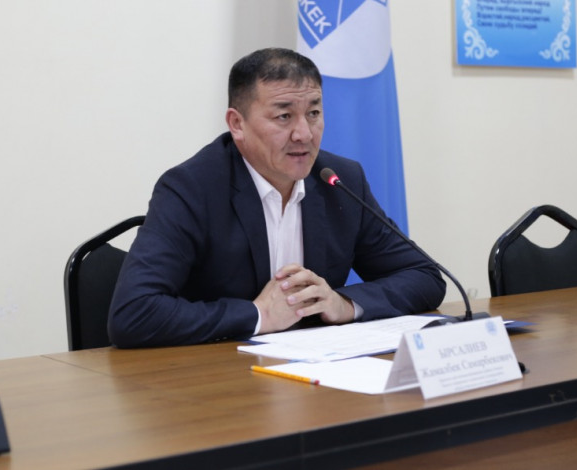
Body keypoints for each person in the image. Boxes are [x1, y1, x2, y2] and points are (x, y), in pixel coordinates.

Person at [108, 47, 445, 348]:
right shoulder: (192, 188)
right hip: (217, 377)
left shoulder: (339, 180)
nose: (304, 134)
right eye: (284, 116)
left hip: (319, 370)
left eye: (313, 113)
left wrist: (342, 304)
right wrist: (258, 315)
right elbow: (134, 314)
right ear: (237, 124)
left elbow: (424, 276)